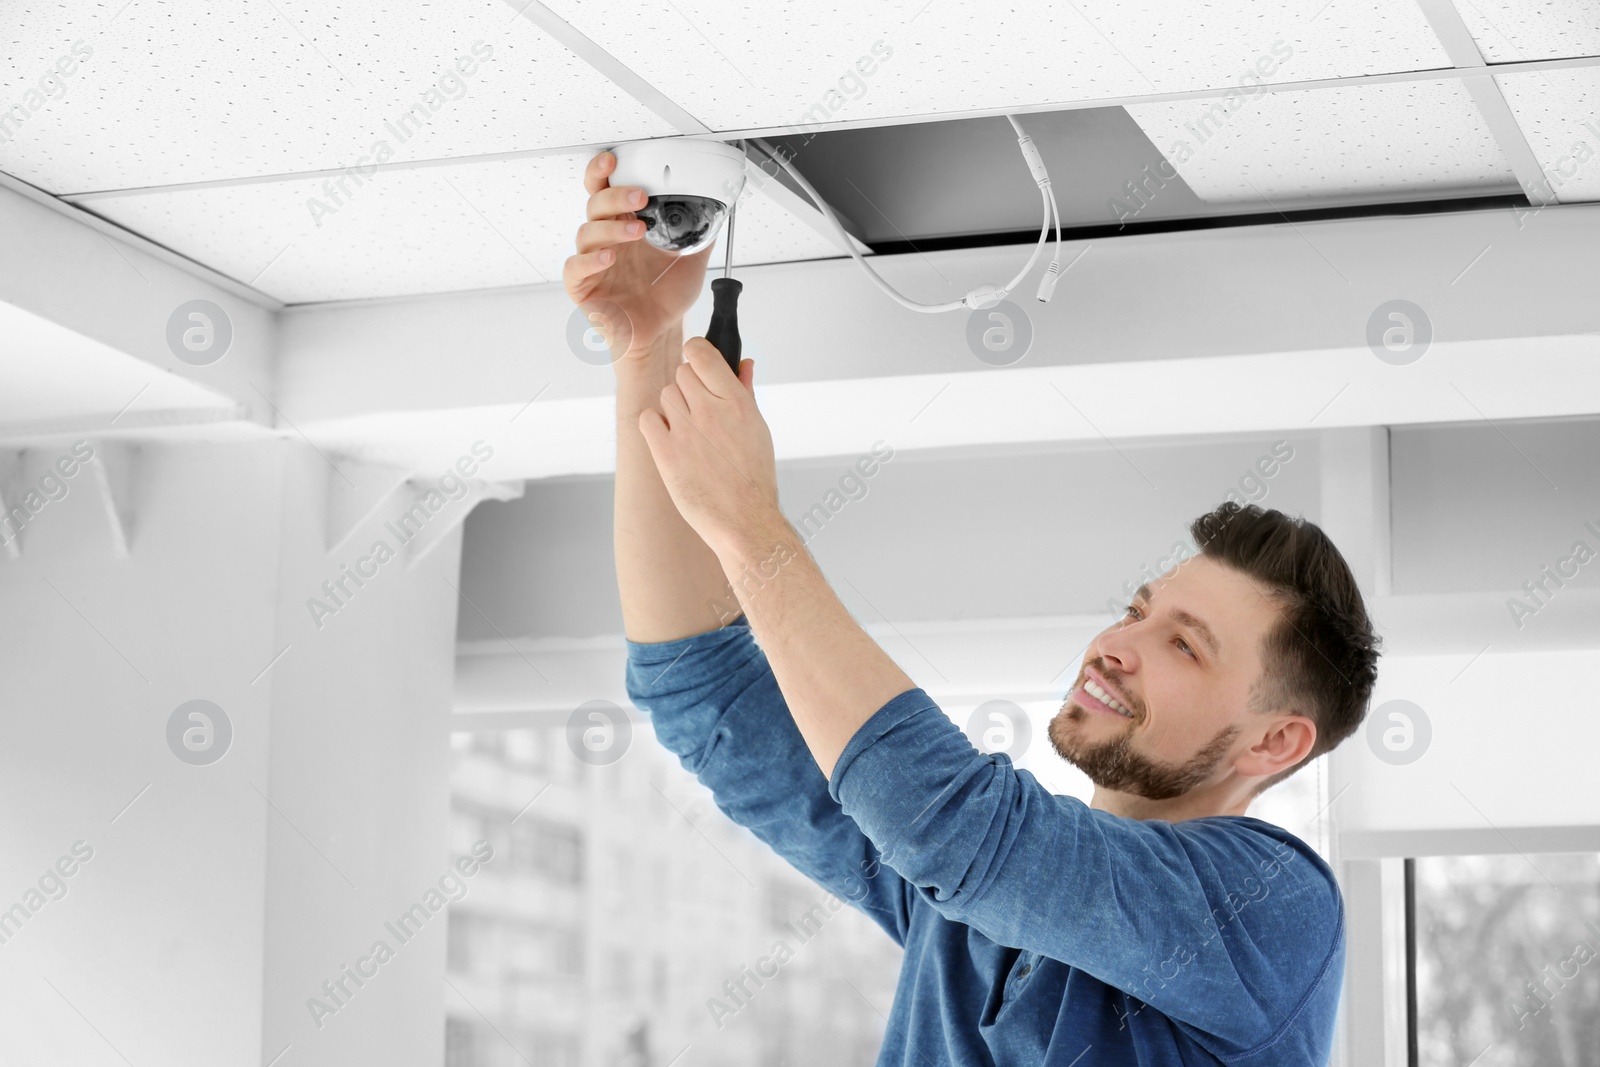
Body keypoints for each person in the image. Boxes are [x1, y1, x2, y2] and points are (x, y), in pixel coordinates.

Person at [564, 149, 1383, 1066]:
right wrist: (647, 346)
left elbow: (957, 828)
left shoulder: (1272, 909)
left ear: (1276, 741)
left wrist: (756, 531)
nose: (1117, 643)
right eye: (1138, 609)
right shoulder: (964, 908)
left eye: (1185, 646)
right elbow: (700, 684)